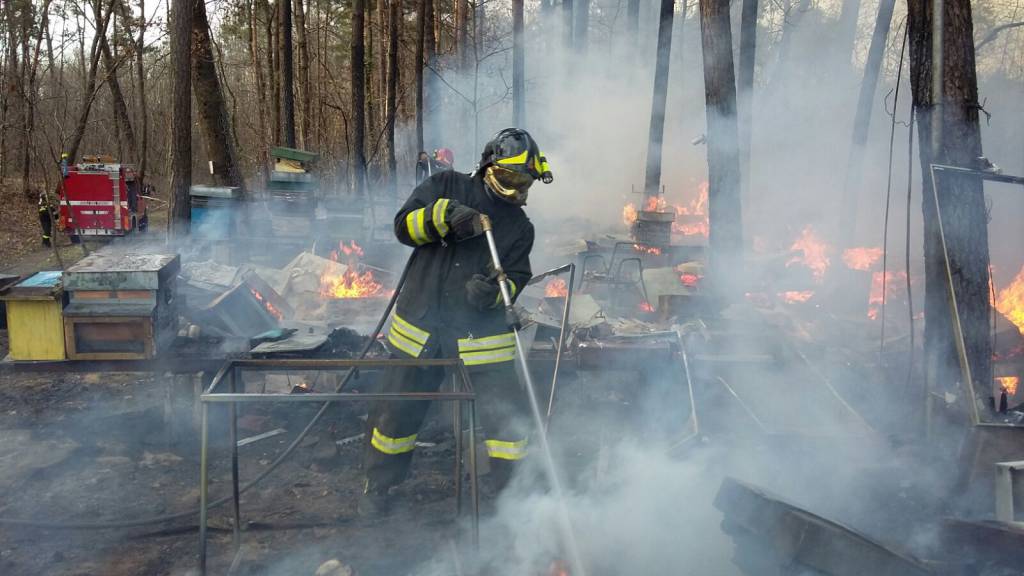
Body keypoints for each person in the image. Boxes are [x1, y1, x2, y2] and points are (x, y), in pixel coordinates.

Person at [361, 128, 553, 516]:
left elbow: (515, 275)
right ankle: (378, 489)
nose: (517, 188)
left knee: (507, 424)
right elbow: (403, 227)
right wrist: (442, 216)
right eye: (512, 177)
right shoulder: (446, 184)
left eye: (525, 181)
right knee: (396, 416)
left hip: (482, 336)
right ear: (488, 167)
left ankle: (514, 503)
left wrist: (495, 293)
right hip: (422, 330)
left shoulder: (520, 227)